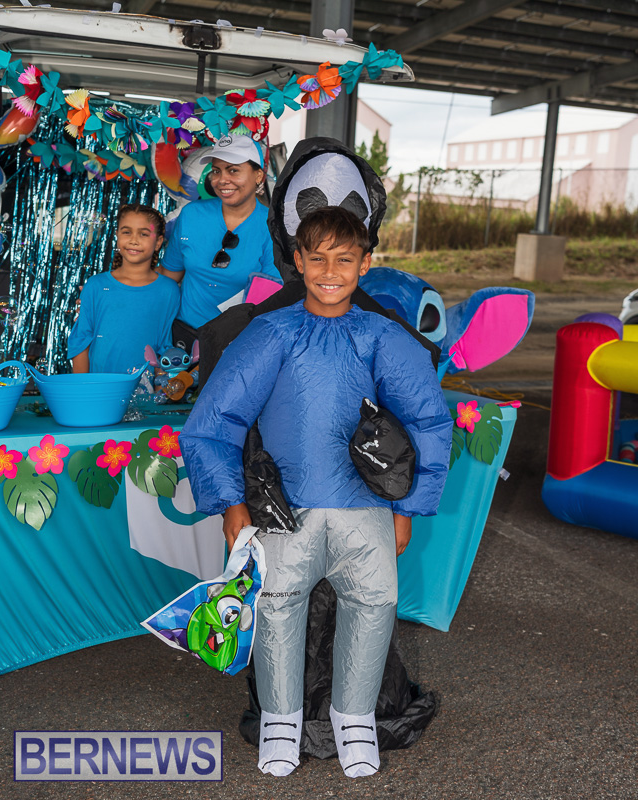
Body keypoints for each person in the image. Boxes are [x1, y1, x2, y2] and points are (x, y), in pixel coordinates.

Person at [180, 206, 453, 779]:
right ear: (299, 261)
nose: (331, 270)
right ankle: (281, 720)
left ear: (365, 264)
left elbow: (427, 418)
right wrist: (231, 504)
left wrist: (408, 507)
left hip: (367, 509)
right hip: (289, 511)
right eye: (319, 258)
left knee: (374, 606)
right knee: (278, 607)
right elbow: (215, 420)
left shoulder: (381, 335)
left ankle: (354, 718)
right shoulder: (272, 332)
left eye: (345, 259)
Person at [159, 134, 280, 349]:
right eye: (216, 170)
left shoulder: (272, 227)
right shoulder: (191, 215)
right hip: (183, 338)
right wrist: (119, 289)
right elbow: (167, 277)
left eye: (233, 170)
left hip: (237, 343)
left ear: (259, 175)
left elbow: (271, 298)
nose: (222, 179)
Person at [68, 204, 179, 374]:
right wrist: (85, 390)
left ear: (158, 242)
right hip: (100, 390)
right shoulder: (96, 286)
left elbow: (164, 347)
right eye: (127, 232)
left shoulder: (168, 290)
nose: (134, 240)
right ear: (117, 236)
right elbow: (81, 342)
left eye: (143, 234)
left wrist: (159, 395)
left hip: (145, 394)